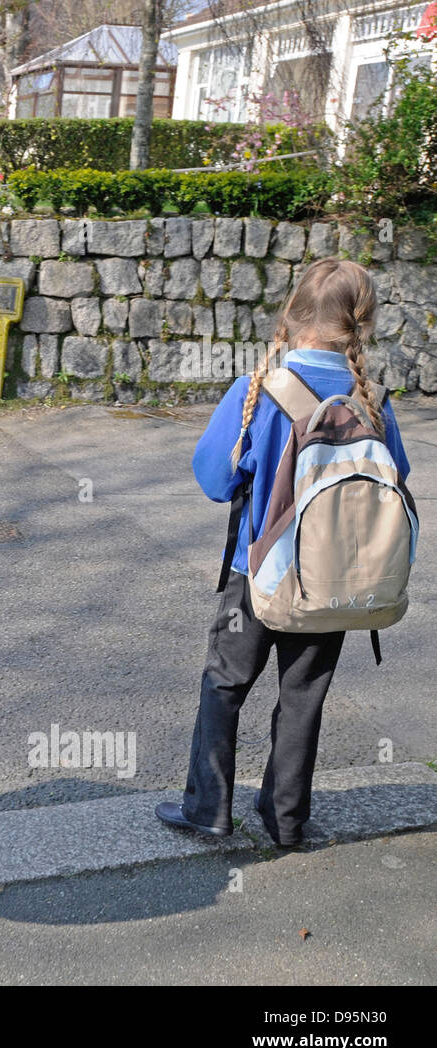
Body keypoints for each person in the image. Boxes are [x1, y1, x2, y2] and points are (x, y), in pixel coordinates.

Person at [157, 258, 411, 848]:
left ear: (292, 315)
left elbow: (215, 479)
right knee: (303, 696)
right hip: (332, 579)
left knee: (225, 681)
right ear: (360, 326)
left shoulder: (260, 390)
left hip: (258, 574)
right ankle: (286, 818)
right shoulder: (370, 399)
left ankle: (209, 808)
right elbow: (395, 475)